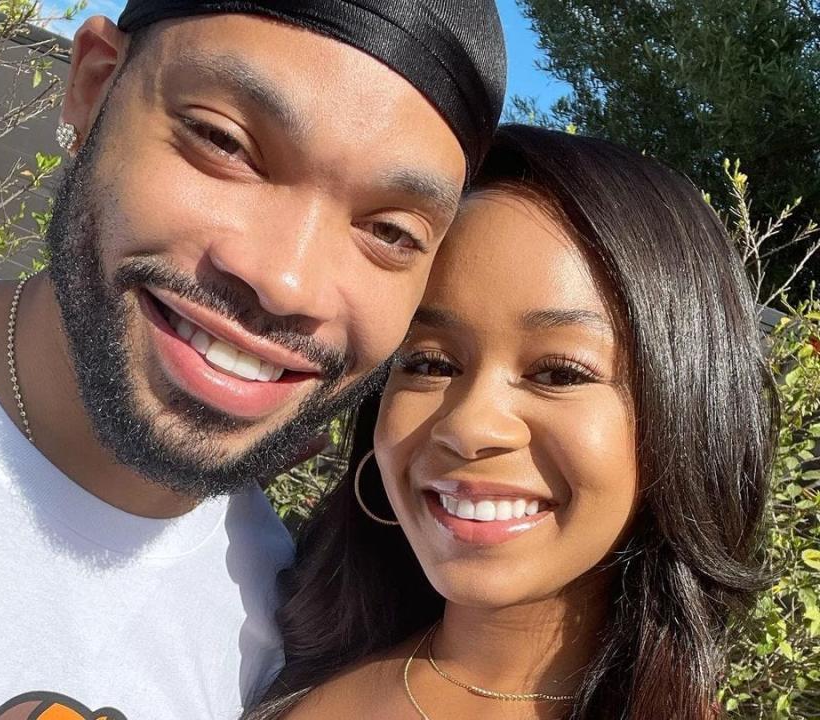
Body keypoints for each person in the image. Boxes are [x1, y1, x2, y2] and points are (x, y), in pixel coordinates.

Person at [0, 2, 506, 717]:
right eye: (224, 143)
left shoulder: (285, 659)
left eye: (390, 230)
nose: (287, 281)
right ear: (93, 85)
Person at [248, 125, 779, 720]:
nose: (470, 427)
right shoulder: (256, 654)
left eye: (559, 373)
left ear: (688, 415)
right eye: (428, 362)